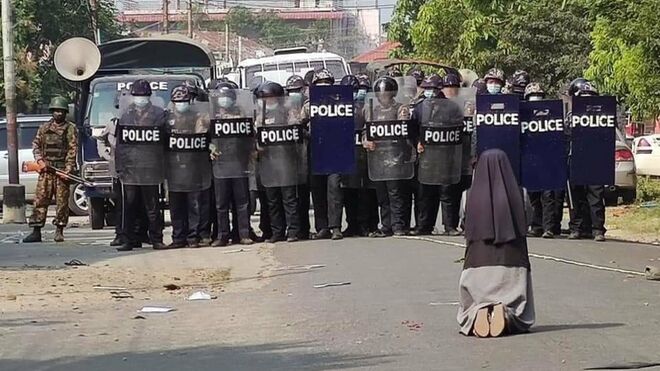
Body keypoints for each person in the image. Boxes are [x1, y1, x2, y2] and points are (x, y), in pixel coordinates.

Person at [457, 149, 535, 337]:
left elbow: (462, 224)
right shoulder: (521, 193)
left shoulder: (467, 196)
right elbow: (528, 220)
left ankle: (478, 310)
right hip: (513, 262)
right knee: (519, 310)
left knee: (469, 305)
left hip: (477, 264)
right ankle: (507, 312)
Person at [115, 79, 167, 251]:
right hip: (130, 168)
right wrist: (119, 167)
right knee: (129, 207)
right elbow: (120, 145)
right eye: (137, 95)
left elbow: (165, 142)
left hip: (151, 167)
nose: (140, 98)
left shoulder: (159, 114)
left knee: (153, 207)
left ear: (149, 96)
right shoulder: (126, 116)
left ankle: (156, 239)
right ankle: (129, 239)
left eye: (143, 95)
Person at [23, 96, 78, 243]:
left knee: (62, 202)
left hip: (61, 171)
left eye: (61, 111)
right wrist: (39, 161)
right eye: (56, 111)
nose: (59, 114)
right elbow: (36, 145)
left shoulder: (70, 129)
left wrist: (68, 169)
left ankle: (59, 230)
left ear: (65, 113)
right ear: (52, 112)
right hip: (46, 170)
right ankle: (36, 230)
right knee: (40, 200)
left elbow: (72, 150)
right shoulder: (44, 128)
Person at [363, 76, 414, 237]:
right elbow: (366, 131)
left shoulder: (401, 109)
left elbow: (404, 129)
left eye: (386, 94)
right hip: (378, 159)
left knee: (395, 193)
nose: (383, 97)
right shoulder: (372, 110)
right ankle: (386, 225)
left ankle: (398, 225)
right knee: (382, 194)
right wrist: (366, 141)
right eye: (380, 94)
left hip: (395, 156)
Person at [164, 86, 211, 248]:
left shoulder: (198, 117)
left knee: (194, 206)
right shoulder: (166, 119)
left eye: (183, 101)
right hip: (174, 169)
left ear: (190, 101)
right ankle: (178, 238)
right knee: (176, 207)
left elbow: (205, 136)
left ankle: (193, 237)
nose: (180, 104)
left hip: (194, 168)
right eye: (178, 102)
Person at [255, 81, 302, 243]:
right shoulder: (261, 112)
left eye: (271, 97)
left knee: (289, 199)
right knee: (272, 200)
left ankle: (293, 231)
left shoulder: (287, 111)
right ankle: (277, 232)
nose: (268, 100)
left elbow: (296, 131)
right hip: (269, 162)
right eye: (265, 97)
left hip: (286, 160)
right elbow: (257, 133)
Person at [209, 82, 255, 247]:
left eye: (227, 98)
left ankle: (243, 234)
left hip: (239, 162)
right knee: (221, 204)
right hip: (220, 163)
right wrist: (211, 147)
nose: (224, 101)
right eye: (222, 98)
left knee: (242, 202)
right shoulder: (211, 115)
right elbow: (206, 138)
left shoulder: (241, 114)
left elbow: (250, 136)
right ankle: (222, 236)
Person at [301, 68, 344, 240]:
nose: (324, 86)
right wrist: (308, 134)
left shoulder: (342, 103)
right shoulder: (308, 106)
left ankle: (336, 227)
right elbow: (299, 124)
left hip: (335, 151)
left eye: (327, 83)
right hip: (315, 150)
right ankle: (322, 227)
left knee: (334, 189)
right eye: (320, 84)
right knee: (317, 190)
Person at [566, 78, 607, 242]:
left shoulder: (602, 114)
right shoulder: (570, 116)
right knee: (576, 196)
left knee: (596, 196)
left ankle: (597, 229)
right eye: (583, 96)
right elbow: (566, 135)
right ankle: (577, 228)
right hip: (575, 159)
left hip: (595, 160)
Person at [286, 74, 312, 240]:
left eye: (296, 90)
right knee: (290, 196)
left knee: (303, 195)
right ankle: (293, 229)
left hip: (305, 154)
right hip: (288, 157)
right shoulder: (284, 107)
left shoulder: (309, 106)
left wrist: (303, 131)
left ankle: (304, 229)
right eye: (291, 91)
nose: (294, 93)